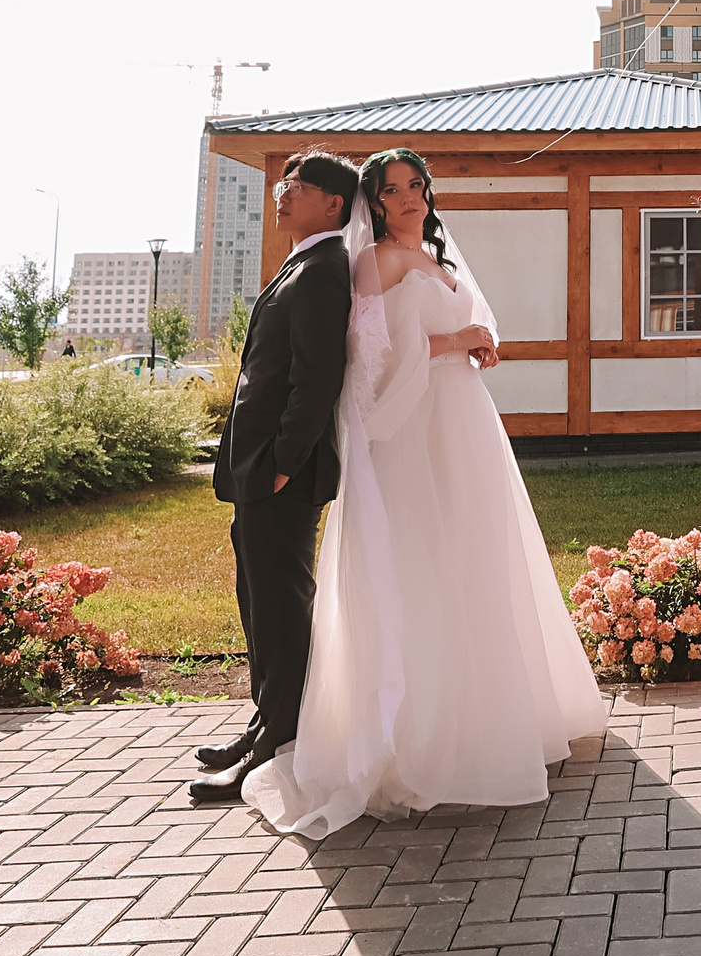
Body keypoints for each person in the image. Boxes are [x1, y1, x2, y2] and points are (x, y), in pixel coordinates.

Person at [241, 147, 605, 833]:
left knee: (473, 561)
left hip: (463, 428)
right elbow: (370, 363)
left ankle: (488, 718)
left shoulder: (439, 253)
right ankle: (417, 737)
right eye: (395, 190)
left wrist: (482, 337)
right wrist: (453, 339)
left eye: (417, 185)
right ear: (373, 203)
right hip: (409, 434)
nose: (411, 197)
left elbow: (473, 316)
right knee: (419, 569)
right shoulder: (374, 262)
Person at [189, 148, 359, 804]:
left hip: (281, 473)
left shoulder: (323, 271)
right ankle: (265, 721)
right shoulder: (301, 262)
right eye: (284, 182)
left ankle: (282, 750)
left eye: (298, 185)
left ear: (333, 204)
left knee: (282, 609)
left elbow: (316, 380)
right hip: (257, 468)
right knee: (259, 600)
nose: (282, 193)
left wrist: (285, 464)